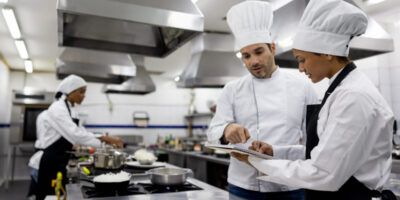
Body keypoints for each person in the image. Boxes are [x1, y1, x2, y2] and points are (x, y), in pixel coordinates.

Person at [240, 0, 396, 199]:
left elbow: (324, 173)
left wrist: (257, 162)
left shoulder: (354, 97)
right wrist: (276, 152)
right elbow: (325, 153)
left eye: (302, 60)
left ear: (326, 53)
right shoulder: (340, 90)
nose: (301, 68)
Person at [206, 1, 317, 199]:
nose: (254, 62)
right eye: (246, 56)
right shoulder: (232, 89)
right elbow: (213, 133)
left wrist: (277, 152)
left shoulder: (303, 87)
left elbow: (314, 143)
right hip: (243, 186)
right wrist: (227, 129)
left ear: (272, 48)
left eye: (259, 52)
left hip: (289, 185)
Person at [36, 75, 124, 200]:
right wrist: (105, 139)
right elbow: (75, 134)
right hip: (52, 160)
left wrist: (104, 144)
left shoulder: (71, 109)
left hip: (61, 158)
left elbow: (81, 131)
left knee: (59, 194)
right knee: (49, 195)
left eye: (85, 92)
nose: (84, 95)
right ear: (70, 91)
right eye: (81, 92)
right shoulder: (57, 108)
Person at [27, 110, 48, 198]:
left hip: (40, 146)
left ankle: (33, 194)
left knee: (36, 171)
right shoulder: (51, 116)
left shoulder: (42, 114)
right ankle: (34, 194)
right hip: (44, 148)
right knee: (38, 173)